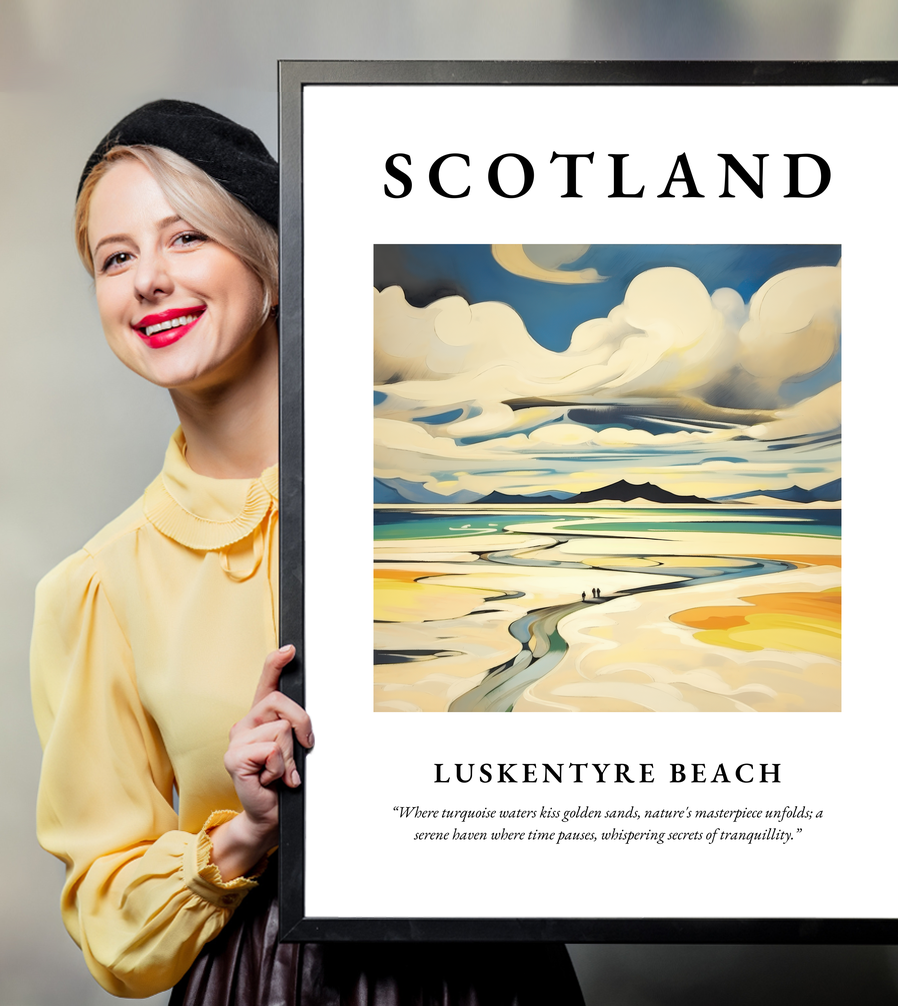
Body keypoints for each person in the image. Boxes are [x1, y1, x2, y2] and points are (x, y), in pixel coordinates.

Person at [30, 100, 585, 1004]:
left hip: (492, 973)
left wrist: (889, 706)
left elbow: (607, 706)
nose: (148, 281)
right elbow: (110, 924)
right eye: (116, 257)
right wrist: (245, 832)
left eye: (185, 239)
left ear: (274, 264)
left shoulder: (455, 499)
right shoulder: (97, 587)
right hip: (263, 982)